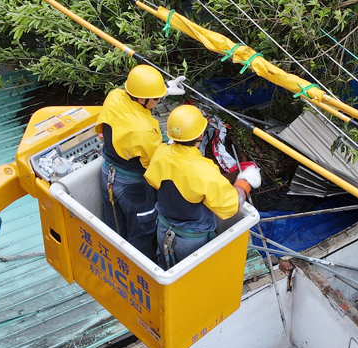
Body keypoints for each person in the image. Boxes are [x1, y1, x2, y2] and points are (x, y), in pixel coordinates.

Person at [144, 105, 261, 269]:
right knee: (195, 278)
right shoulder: (203, 170)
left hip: (163, 230)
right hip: (191, 243)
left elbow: (154, 179)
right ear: (200, 134)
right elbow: (230, 207)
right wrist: (244, 182)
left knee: (168, 273)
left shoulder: (161, 152)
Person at [95, 64, 168, 260]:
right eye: (157, 98)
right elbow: (155, 167)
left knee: (114, 222)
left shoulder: (115, 96)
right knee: (141, 231)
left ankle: (117, 259)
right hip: (132, 187)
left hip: (108, 172)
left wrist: (163, 87)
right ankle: (140, 267)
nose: (160, 100)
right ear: (142, 99)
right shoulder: (144, 130)